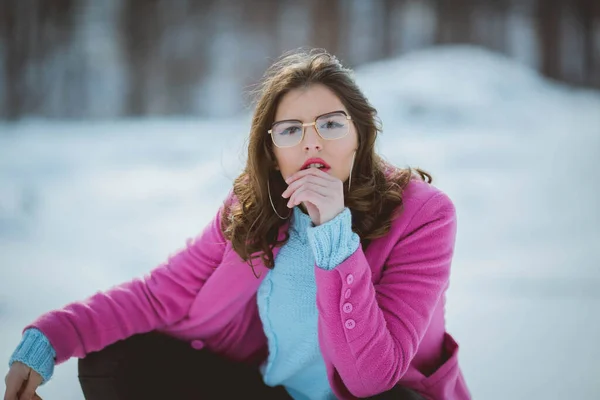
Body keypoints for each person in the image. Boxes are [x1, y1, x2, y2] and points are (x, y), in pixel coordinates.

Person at [3, 49, 471, 400]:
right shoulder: (253, 208)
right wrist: (48, 337)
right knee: (115, 359)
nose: (312, 144)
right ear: (272, 151)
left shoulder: (422, 214)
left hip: (382, 398)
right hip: (277, 391)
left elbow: (371, 378)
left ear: (360, 134)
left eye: (330, 124)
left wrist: (333, 232)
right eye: (290, 130)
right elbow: (157, 295)